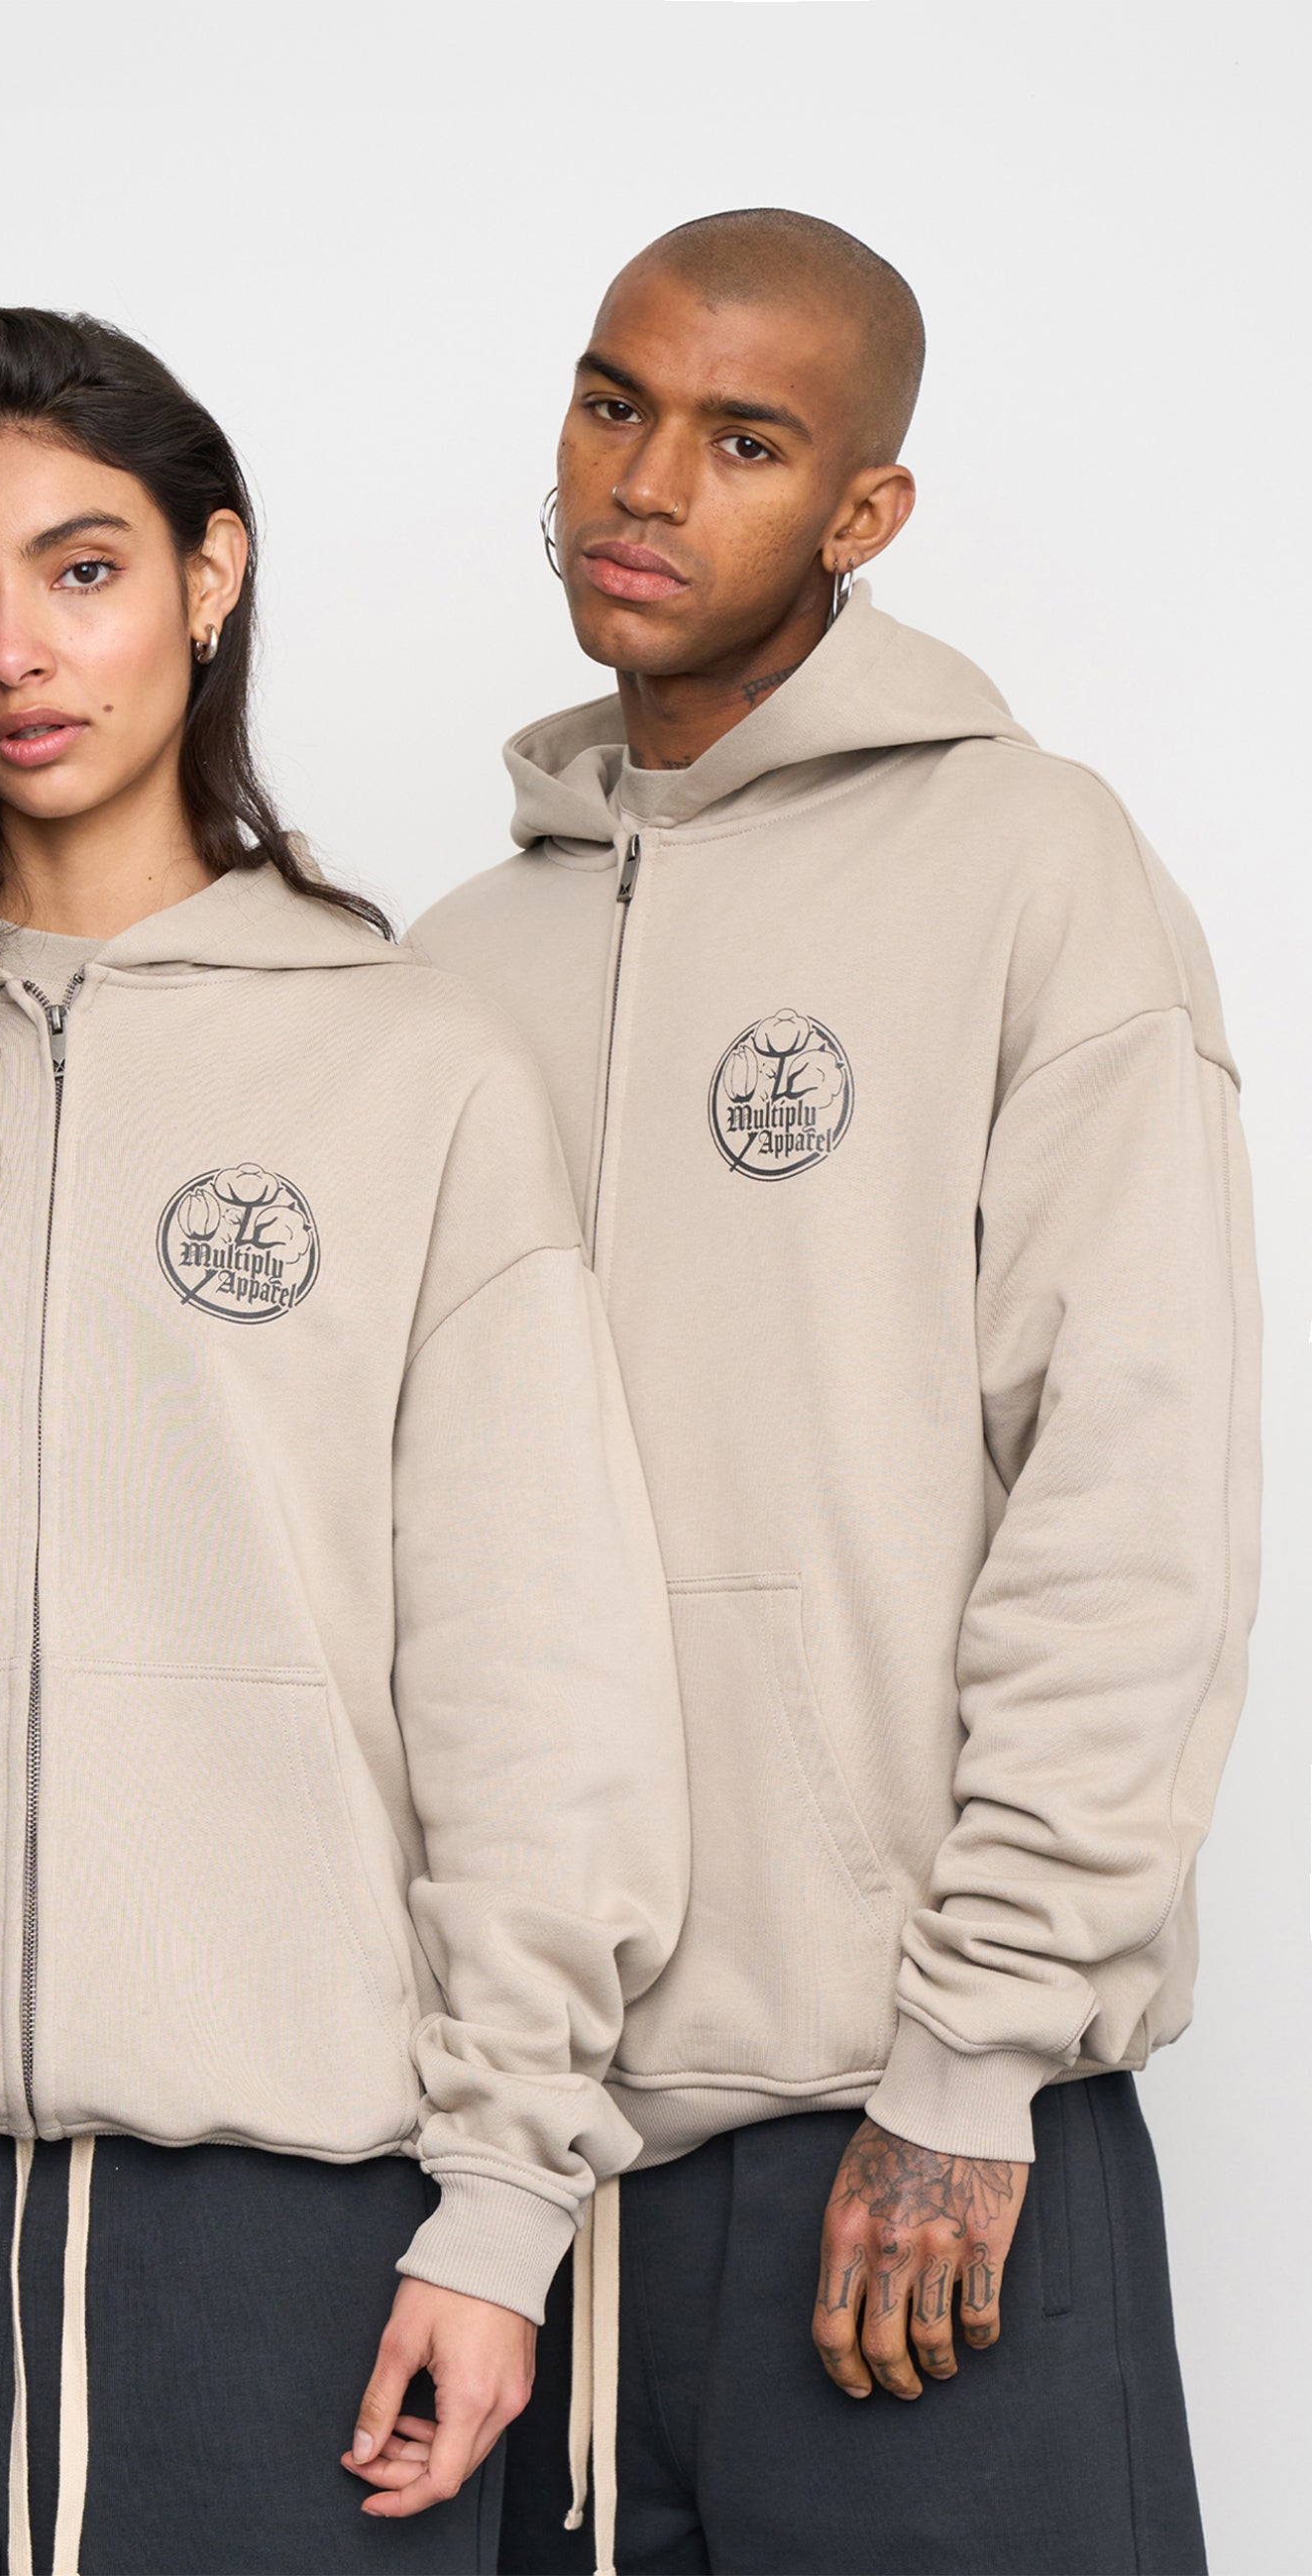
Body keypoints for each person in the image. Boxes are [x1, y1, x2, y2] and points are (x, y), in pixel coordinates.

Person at [0, 306, 691, 2576]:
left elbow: (535, 1680)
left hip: (294, 2244)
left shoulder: (412, 1070)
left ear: (210, 574)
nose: (17, 653)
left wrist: (500, 2207)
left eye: (81, 570)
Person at [409, 210, 1260, 2576]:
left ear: (863, 509)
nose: (646, 479)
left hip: (924, 2137)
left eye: (745, 439)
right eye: (614, 404)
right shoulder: (448, 971)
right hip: (524, 2189)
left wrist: (974, 2055)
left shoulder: (1033, 867)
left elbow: (1134, 1489)